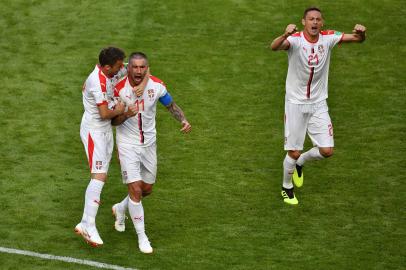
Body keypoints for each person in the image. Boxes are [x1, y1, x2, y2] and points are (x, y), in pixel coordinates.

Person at [270, 7, 366, 205]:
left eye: (318, 19)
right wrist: (285, 34)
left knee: (326, 151)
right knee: (293, 151)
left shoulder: (328, 38)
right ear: (303, 22)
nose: (314, 22)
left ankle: (301, 163)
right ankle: (286, 187)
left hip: (319, 104)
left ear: (322, 23)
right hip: (295, 104)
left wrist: (362, 34)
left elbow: (357, 39)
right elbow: (274, 47)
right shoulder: (295, 40)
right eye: (311, 19)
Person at [110, 52, 192, 253]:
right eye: (135, 67)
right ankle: (142, 237)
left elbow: (170, 105)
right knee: (136, 190)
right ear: (129, 68)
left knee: (146, 189)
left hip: (149, 144)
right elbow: (113, 121)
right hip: (127, 144)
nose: (138, 71)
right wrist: (125, 115)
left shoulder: (156, 86)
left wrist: (182, 120)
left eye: (142, 67)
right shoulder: (119, 89)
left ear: (147, 68)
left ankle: (120, 208)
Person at [75, 47, 127, 246]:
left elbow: (134, 68)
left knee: (102, 174)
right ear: (107, 67)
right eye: (118, 66)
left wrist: (143, 73)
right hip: (94, 131)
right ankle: (88, 224)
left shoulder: (108, 72)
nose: (122, 68)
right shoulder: (97, 81)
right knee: (99, 175)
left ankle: (83, 223)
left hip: (104, 131)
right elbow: (105, 113)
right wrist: (120, 109)